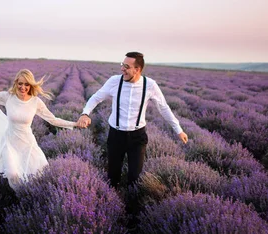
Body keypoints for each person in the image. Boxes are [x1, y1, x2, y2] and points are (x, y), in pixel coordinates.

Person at [76, 52, 189, 189]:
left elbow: (163, 108)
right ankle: (111, 202)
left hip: (137, 137)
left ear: (137, 70)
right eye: (122, 65)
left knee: (135, 177)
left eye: (127, 66)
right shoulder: (114, 81)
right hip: (116, 135)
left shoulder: (150, 85)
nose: (122, 69)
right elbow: (96, 97)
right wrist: (85, 113)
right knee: (113, 176)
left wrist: (179, 130)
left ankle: (132, 204)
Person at [0, 66, 79, 191]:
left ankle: (28, 200)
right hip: (10, 144)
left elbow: (53, 120)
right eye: (20, 83)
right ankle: (21, 195)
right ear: (16, 83)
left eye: (26, 84)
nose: (23, 87)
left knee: (39, 174)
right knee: (13, 175)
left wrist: (74, 124)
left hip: (27, 144)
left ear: (31, 85)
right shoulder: (8, 97)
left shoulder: (36, 102)